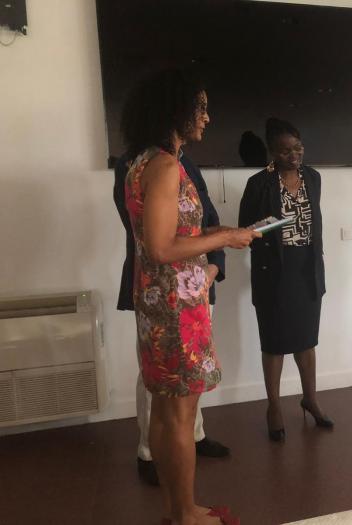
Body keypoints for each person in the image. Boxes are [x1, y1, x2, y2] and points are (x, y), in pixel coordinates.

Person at [121, 68, 259, 525]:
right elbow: (162, 247)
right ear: (173, 110)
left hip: (159, 302)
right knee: (179, 416)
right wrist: (226, 240)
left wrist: (220, 232)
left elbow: (169, 234)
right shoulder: (164, 166)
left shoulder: (142, 162)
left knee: (166, 413)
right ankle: (186, 515)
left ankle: (178, 509)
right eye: (198, 107)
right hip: (176, 308)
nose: (206, 117)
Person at [114, 149, 231, 487]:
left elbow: (205, 216)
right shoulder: (144, 165)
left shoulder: (184, 160)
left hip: (196, 284)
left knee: (190, 379)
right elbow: (154, 239)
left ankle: (194, 437)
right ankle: (150, 453)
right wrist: (224, 238)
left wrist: (215, 265)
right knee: (161, 379)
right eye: (199, 116)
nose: (205, 123)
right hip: (165, 293)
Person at [238, 118, 333, 442]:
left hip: (307, 269)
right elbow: (246, 231)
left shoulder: (314, 178)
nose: (294, 155)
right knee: (274, 341)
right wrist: (275, 224)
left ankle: (310, 399)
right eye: (285, 151)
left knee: (307, 340)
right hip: (274, 271)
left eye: (298, 148)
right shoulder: (258, 184)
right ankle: (274, 407)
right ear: (272, 152)